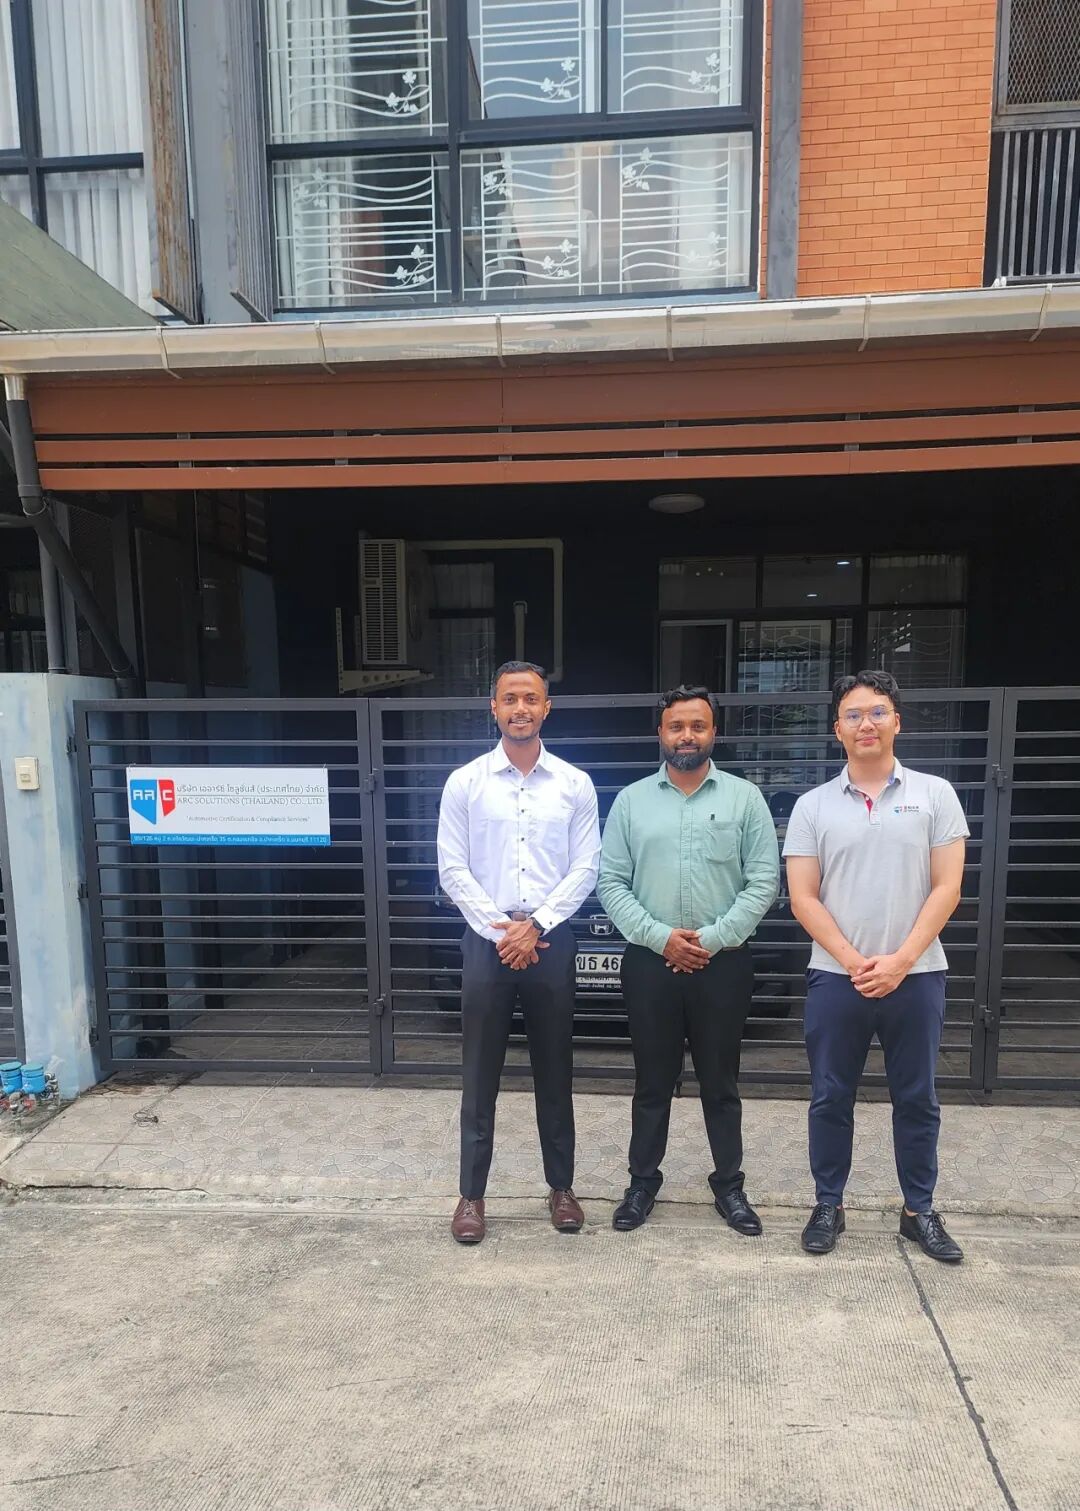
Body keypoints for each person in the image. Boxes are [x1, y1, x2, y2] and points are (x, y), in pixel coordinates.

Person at [783, 670, 969, 1263]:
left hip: (918, 976)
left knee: (917, 1098)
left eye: (878, 712)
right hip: (836, 977)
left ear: (897, 722)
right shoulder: (812, 806)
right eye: (854, 714)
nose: (867, 723)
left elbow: (947, 887)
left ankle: (919, 1211)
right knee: (829, 1096)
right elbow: (803, 896)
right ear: (837, 729)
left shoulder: (935, 794)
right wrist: (854, 960)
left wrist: (902, 961)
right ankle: (828, 1204)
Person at [596, 686, 780, 1234]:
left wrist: (713, 939)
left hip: (723, 964)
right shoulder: (631, 801)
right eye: (676, 726)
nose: (687, 736)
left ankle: (730, 1187)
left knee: (721, 1083)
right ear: (660, 733)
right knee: (652, 1082)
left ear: (713, 732)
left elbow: (763, 881)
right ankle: (641, 1184)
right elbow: (611, 882)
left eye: (698, 726)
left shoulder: (745, 799)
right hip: (650, 964)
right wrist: (661, 939)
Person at [437, 660, 600, 1245]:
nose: (521, 708)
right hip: (488, 944)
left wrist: (537, 926)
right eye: (510, 698)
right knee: (479, 1073)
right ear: (494, 708)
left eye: (531, 698)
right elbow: (452, 868)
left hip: (550, 940)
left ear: (546, 708)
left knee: (555, 1069)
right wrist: (503, 930)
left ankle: (561, 1188)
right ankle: (471, 1195)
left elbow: (586, 866)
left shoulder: (575, 784)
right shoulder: (466, 783)